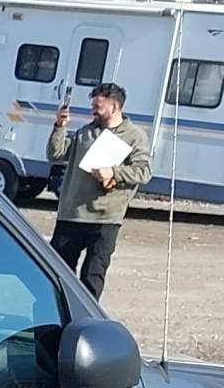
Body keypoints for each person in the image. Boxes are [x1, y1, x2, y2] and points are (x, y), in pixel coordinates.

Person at [45, 81, 152, 299]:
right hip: (71, 215)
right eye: (93, 105)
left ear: (115, 107)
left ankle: (87, 323)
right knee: (57, 275)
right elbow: (55, 155)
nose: (93, 110)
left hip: (105, 219)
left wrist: (114, 172)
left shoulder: (134, 136)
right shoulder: (85, 133)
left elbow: (144, 172)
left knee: (93, 277)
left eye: (98, 106)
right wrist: (59, 126)